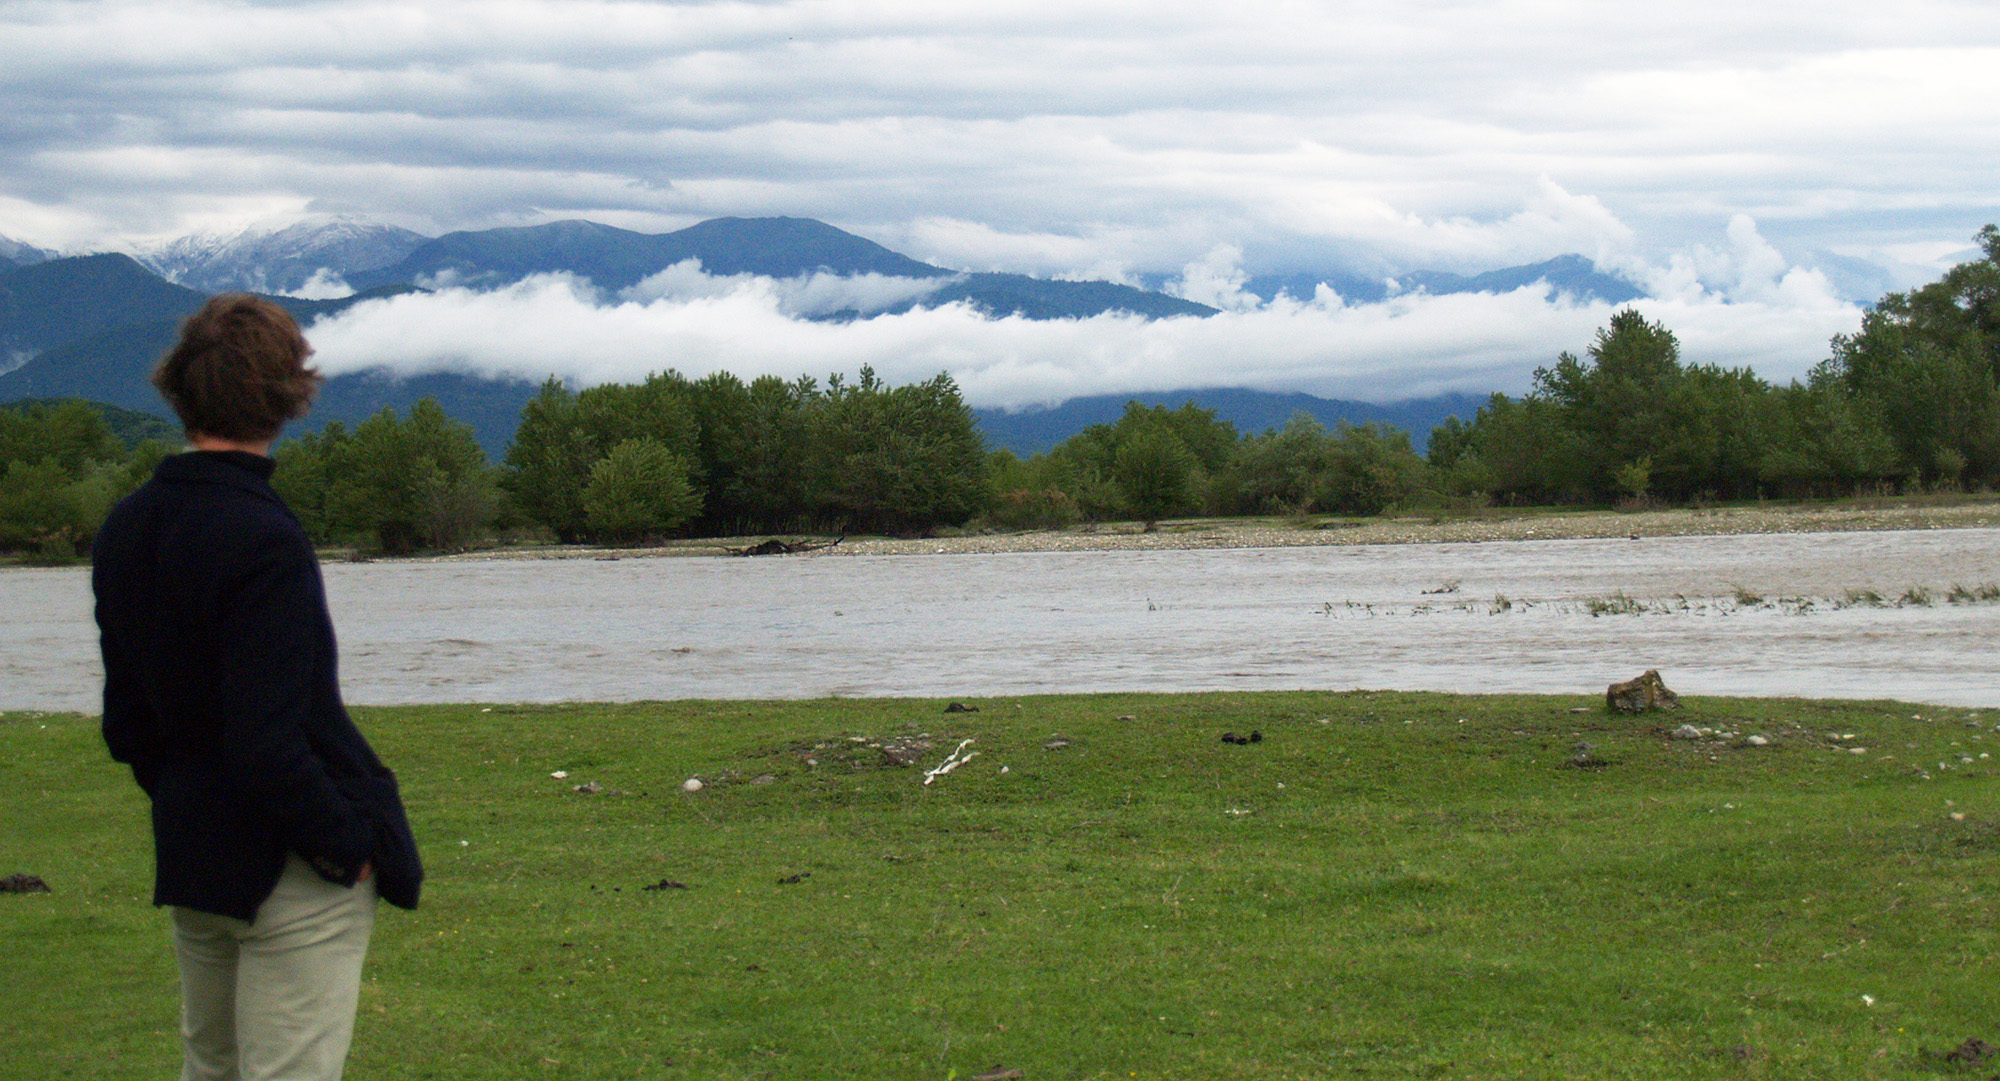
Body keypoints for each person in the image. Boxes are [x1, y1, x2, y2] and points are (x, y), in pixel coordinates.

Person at [93, 293, 422, 1081]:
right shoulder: (263, 536)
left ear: (178, 387)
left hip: (194, 849)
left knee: (209, 1065)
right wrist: (347, 845)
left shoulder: (128, 525)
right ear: (288, 393)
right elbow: (267, 735)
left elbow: (128, 723)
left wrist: (187, 795)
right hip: (292, 867)